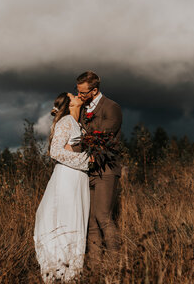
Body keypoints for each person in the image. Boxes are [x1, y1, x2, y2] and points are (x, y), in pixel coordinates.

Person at [34, 92, 91, 282]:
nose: (77, 95)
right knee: (67, 221)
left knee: (78, 221)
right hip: (67, 178)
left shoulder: (79, 125)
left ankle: (73, 272)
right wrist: (85, 160)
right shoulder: (66, 121)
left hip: (79, 179)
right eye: (73, 95)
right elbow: (55, 151)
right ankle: (60, 272)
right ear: (69, 104)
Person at [71, 71, 122, 269]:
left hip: (106, 170)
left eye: (83, 93)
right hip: (87, 170)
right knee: (90, 221)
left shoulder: (112, 107)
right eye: (78, 92)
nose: (80, 96)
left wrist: (75, 145)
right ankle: (94, 267)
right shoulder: (82, 109)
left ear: (94, 90)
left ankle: (115, 265)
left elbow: (103, 138)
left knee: (103, 216)